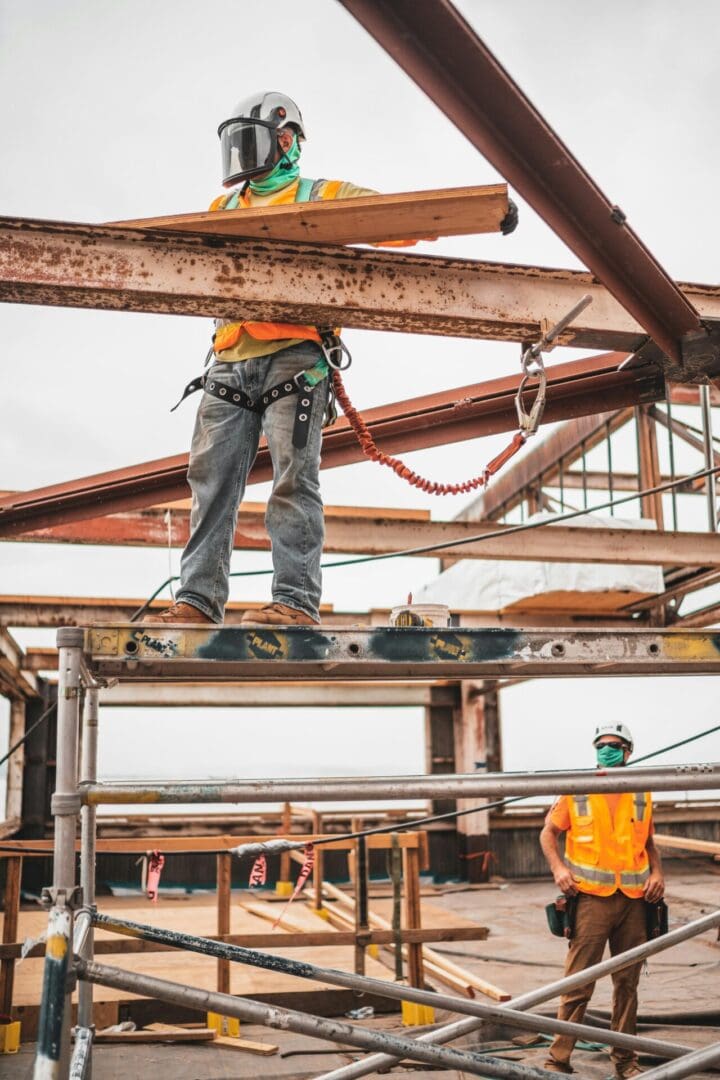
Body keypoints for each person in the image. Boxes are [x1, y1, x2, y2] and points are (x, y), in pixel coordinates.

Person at [145, 91, 517, 627]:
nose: (241, 156)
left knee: (295, 480)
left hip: (295, 361)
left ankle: (294, 602)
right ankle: (197, 602)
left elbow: (396, 219)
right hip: (229, 362)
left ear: (286, 140)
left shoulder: (323, 196)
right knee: (211, 481)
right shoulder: (223, 208)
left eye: (251, 140)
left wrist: (483, 213)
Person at [538, 723, 664, 1078]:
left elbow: (648, 841)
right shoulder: (578, 789)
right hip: (591, 899)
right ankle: (557, 1060)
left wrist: (658, 873)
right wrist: (558, 870)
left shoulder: (641, 791)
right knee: (577, 983)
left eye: (614, 745)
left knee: (627, 984)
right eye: (602, 745)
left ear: (628, 751)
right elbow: (548, 833)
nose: (607, 750)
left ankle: (626, 1063)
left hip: (635, 900)